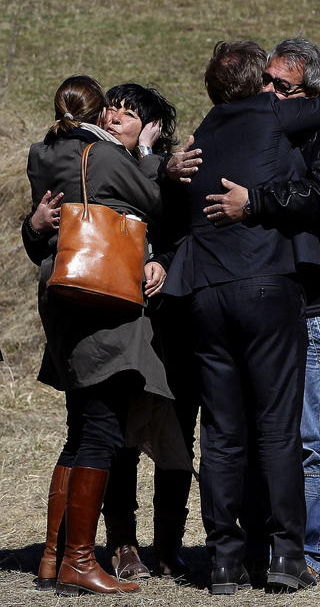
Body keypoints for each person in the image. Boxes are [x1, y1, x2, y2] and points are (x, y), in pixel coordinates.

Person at [161, 41, 320, 595]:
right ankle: (287, 556)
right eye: (267, 81)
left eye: (282, 85)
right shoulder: (273, 115)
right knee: (277, 428)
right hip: (267, 287)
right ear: (254, 83)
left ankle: (224, 560)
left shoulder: (204, 131)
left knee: (222, 433)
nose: (272, 91)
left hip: (206, 292)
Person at [22, 75, 172, 596]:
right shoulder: (105, 157)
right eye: (111, 108)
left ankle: (53, 556)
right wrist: (147, 154)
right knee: (102, 431)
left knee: (79, 427)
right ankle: (79, 562)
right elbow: (152, 198)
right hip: (100, 296)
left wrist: (34, 226)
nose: (116, 117)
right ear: (96, 112)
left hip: (60, 294)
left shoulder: (42, 153)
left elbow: (41, 232)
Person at [93, 83, 199, 582]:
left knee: (177, 432)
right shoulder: (93, 164)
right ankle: (123, 543)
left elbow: (186, 234)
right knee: (121, 435)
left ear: (152, 128)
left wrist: (164, 263)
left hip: (169, 323)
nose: (115, 116)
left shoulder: (173, 175)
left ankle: (168, 546)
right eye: (111, 108)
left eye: (129, 113)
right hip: (118, 322)